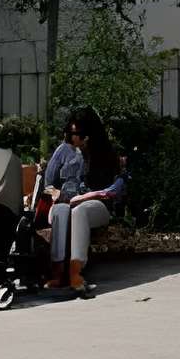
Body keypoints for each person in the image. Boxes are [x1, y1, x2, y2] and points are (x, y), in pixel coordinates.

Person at [44, 105, 126, 297]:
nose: (73, 137)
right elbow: (48, 183)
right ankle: (58, 272)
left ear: (89, 133)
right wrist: (55, 192)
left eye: (77, 133)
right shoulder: (63, 151)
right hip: (66, 201)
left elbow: (108, 191)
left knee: (79, 211)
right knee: (61, 211)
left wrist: (86, 156)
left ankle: (75, 272)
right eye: (70, 132)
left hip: (96, 205)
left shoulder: (104, 153)